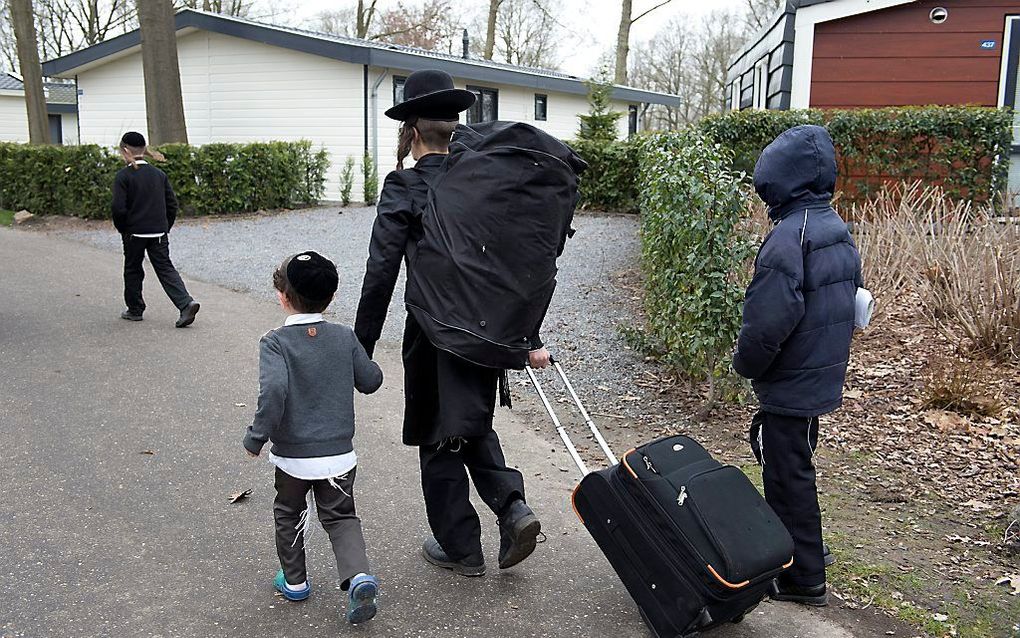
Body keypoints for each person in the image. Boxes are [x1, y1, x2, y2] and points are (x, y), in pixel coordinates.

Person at [354, 69, 547, 577]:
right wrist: (525, 335)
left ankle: (460, 546)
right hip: (486, 328)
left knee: (436, 433)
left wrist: (363, 342)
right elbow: (510, 263)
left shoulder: (405, 185)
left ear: (411, 130)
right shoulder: (481, 185)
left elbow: (381, 269)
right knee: (469, 418)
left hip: (433, 329)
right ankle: (512, 505)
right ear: (455, 128)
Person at [733, 125, 863, 607]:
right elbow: (853, 298)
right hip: (820, 374)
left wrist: (746, 363)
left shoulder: (790, 236)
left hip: (790, 381)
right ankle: (801, 557)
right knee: (796, 467)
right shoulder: (833, 227)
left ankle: (802, 576)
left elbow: (769, 321)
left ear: (777, 179)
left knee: (787, 476)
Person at [243, 251, 383, 624]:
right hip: (339, 456)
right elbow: (370, 380)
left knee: (289, 512)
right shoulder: (343, 336)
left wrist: (257, 437)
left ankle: (295, 582)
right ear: (332, 297)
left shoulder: (275, 342)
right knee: (340, 517)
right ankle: (359, 576)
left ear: (282, 296)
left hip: (293, 458)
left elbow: (273, 392)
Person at [111, 131, 200, 327]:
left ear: (125, 151)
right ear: (144, 150)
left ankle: (135, 309)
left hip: (134, 232)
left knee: (133, 269)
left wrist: (123, 228)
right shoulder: (159, 175)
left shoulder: (123, 176)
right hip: (158, 232)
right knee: (165, 268)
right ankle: (186, 303)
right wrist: (165, 227)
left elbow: (118, 208)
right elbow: (172, 204)